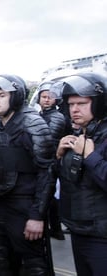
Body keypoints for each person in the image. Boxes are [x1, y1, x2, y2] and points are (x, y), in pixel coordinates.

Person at [0, 74, 56, 276]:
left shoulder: (33, 123)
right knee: (4, 263)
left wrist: (37, 216)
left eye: (1, 95)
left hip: (25, 206)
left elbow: (47, 172)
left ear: (14, 96)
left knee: (34, 266)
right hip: (0, 206)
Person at [54, 72, 107, 276]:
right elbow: (72, 181)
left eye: (82, 103)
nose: (74, 109)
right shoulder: (80, 134)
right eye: (71, 104)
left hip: (101, 236)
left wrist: (90, 156)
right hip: (79, 229)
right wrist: (59, 156)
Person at [36, 81, 66, 240]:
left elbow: (48, 142)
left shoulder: (56, 117)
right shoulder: (42, 116)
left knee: (49, 196)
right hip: (48, 161)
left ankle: (55, 229)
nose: (47, 99)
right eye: (44, 96)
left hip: (51, 162)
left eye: (50, 97)